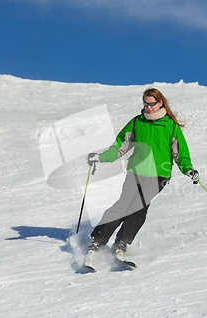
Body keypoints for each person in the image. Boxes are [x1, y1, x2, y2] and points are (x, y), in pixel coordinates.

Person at [85, 88, 199, 259]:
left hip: (159, 175)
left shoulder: (170, 126)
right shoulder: (137, 122)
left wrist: (188, 169)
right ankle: (97, 240)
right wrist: (100, 158)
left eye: (152, 104)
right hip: (135, 172)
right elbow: (119, 146)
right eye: (145, 104)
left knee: (138, 207)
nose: (148, 107)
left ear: (160, 103)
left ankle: (121, 242)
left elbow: (180, 153)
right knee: (123, 205)